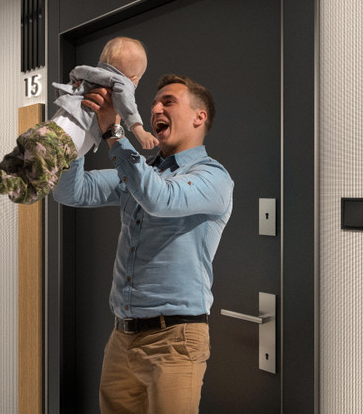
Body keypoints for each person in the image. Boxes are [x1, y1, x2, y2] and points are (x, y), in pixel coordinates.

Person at [52, 74, 234, 413]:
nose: (155, 109)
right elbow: (70, 191)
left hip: (175, 340)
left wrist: (114, 132)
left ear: (199, 117)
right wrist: (82, 129)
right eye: (153, 104)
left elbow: (159, 198)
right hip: (122, 338)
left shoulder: (213, 177)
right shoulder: (140, 174)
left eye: (168, 102)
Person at [0, 36, 158, 241]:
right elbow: (128, 106)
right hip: (58, 146)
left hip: (43, 130)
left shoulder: (89, 74)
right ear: (134, 79)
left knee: (10, 173)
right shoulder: (122, 84)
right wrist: (139, 131)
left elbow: (74, 73)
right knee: (31, 191)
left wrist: (76, 88)